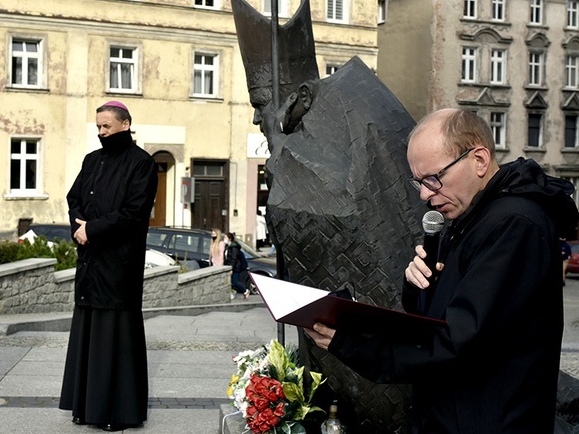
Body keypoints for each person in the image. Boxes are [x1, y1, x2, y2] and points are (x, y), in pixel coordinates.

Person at [306, 108, 578, 432]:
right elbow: (438, 316)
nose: (425, 194)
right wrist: (417, 284)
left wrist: (352, 343)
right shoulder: (471, 217)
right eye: (419, 182)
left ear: (479, 159)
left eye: (434, 178)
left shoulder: (514, 225)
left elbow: (457, 341)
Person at [59, 101, 158, 432]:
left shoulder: (142, 164)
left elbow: (133, 212)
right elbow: (74, 198)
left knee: (114, 339)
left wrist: (93, 229)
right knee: (88, 336)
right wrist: (79, 227)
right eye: (98, 127)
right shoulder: (92, 160)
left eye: (107, 127)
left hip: (119, 264)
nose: (101, 133)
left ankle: (117, 411)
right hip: (90, 261)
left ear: (125, 124)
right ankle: (86, 407)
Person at [225, 232, 249, 300]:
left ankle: (245, 291)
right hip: (230, 266)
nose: (224, 239)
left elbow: (234, 259)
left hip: (236, 267)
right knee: (231, 282)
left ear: (229, 239)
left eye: (225, 238)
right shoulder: (227, 247)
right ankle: (234, 292)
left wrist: (231, 268)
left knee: (235, 282)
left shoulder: (234, 248)